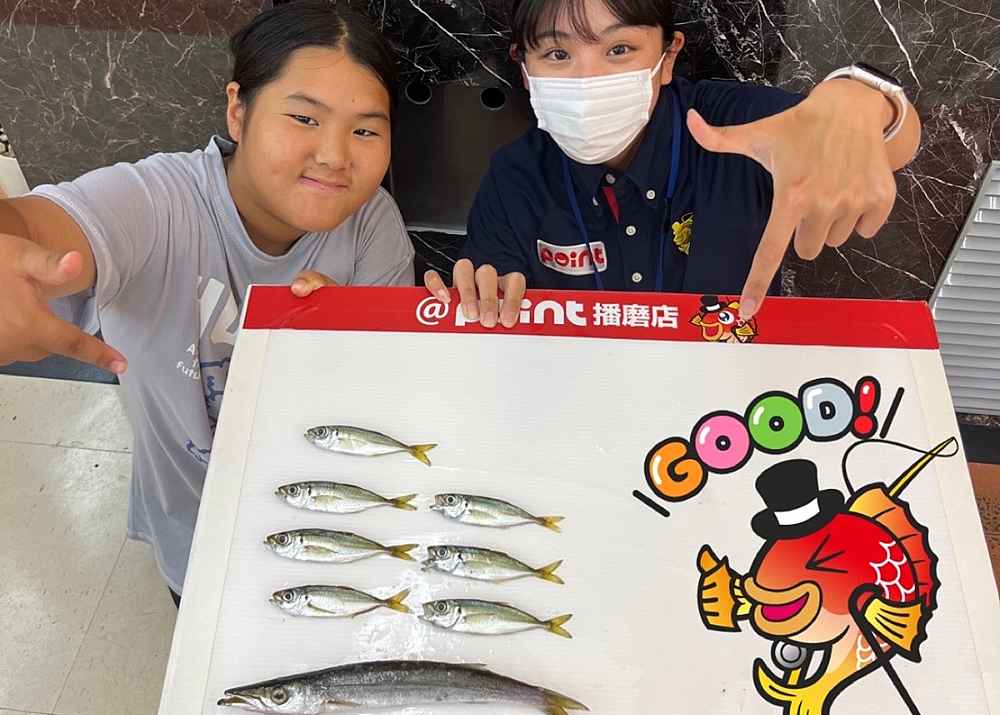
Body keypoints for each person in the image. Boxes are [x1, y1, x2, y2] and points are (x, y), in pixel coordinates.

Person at [0, 1, 414, 605]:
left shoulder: (373, 225)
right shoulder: (155, 203)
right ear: (238, 111)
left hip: (330, 529)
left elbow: (384, 403)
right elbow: (37, 226)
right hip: (196, 538)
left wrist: (340, 357)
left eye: (366, 130)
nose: (334, 156)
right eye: (304, 118)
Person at [424, 0, 922, 328]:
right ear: (524, 69)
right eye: (557, 54)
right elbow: (493, 290)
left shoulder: (735, 126)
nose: (588, 79)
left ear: (667, 57)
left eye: (619, 49)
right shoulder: (515, 176)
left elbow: (886, 144)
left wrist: (862, 100)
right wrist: (479, 296)